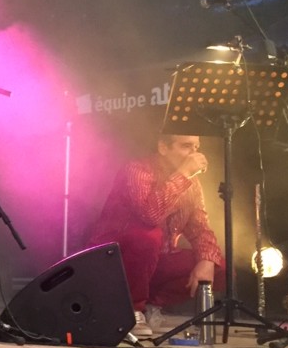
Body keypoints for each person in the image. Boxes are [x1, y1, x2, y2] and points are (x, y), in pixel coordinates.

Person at [88, 133, 224, 337]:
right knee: (149, 236)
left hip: (155, 261)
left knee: (219, 267)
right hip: (115, 262)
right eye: (186, 146)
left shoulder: (192, 184)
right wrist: (184, 173)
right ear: (163, 147)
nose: (194, 154)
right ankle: (130, 311)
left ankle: (151, 306)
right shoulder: (137, 170)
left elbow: (201, 227)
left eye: (196, 147)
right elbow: (151, 215)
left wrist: (207, 260)